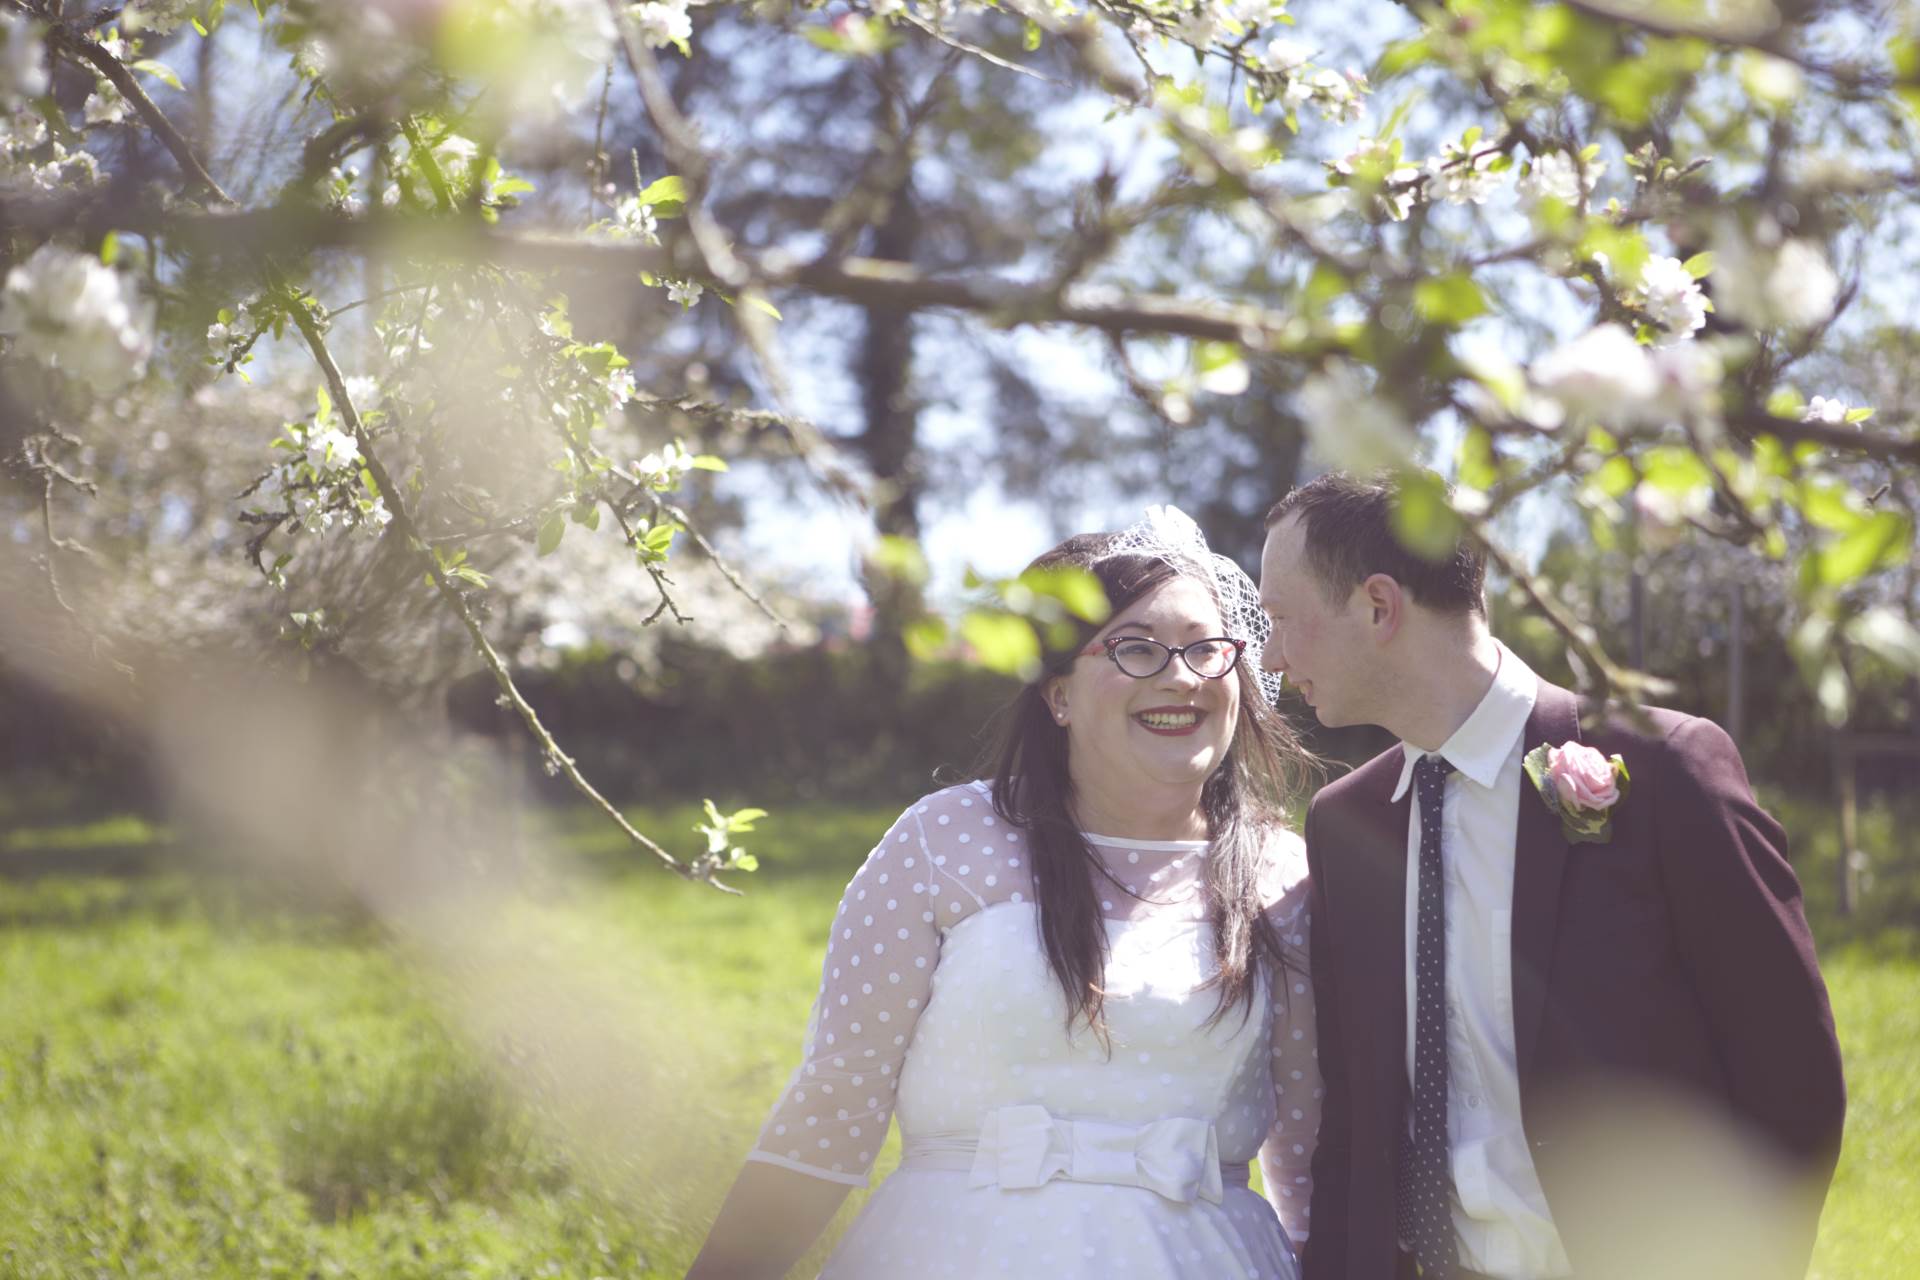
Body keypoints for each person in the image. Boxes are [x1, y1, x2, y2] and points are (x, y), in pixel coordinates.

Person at [686, 508, 1321, 1280]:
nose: (1181, 676)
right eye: (1135, 648)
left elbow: (1310, 1157)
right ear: (1058, 695)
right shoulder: (946, 840)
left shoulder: (1282, 875)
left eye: (1205, 648)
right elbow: (834, 1107)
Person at [1258, 471, 1845, 1280]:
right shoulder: (1342, 823)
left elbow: (1792, 1076)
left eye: (1282, 618)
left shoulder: (1665, 769)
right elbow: (1355, 1120)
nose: (1271, 655)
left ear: (1378, 606)